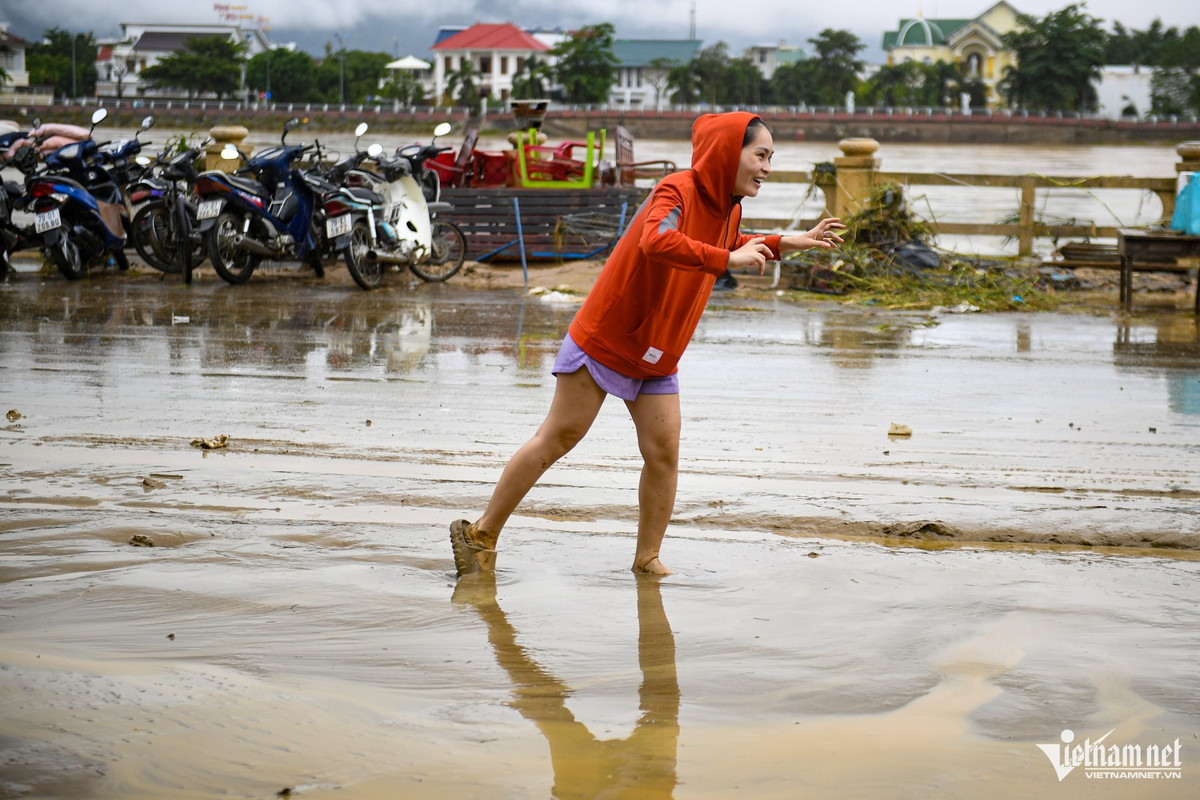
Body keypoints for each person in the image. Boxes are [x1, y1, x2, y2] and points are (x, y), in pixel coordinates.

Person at [451, 111, 845, 577]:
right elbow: (657, 239)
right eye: (761, 155)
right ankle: (481, 534)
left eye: (771, 157)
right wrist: (727, 259)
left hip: (660, 348)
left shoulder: (729, 206)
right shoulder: (675, 189)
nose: (767, 167)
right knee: (559, 437)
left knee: (663, 452)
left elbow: (728, 239)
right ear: (727, 153)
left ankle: (647, 558)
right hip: (609, 335)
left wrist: (789, 242)